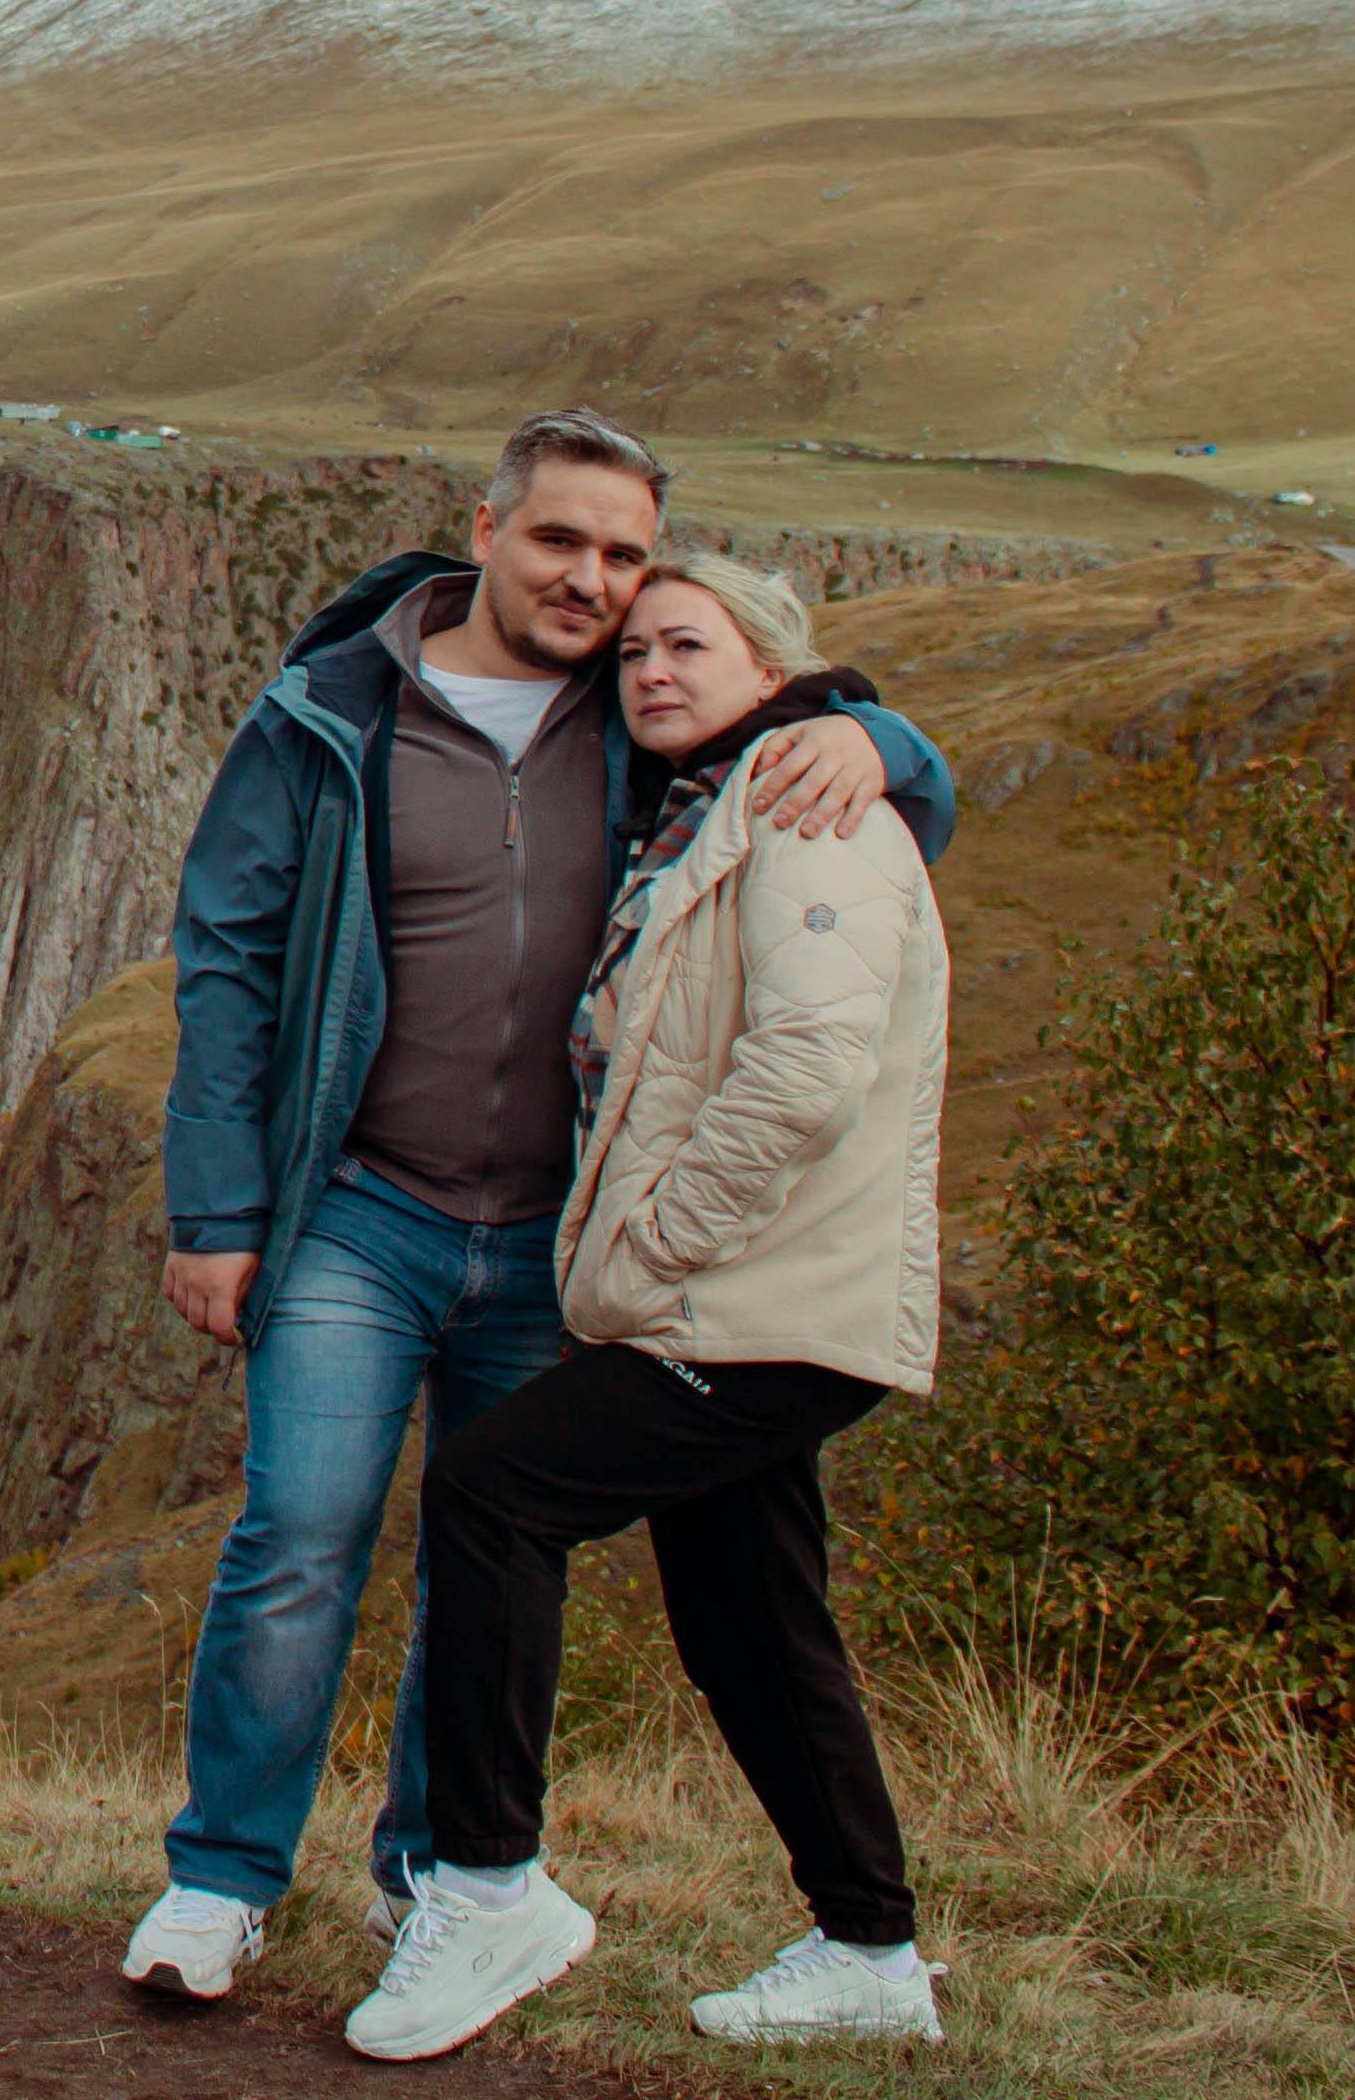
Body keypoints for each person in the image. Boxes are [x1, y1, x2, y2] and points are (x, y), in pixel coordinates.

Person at [116, 417, 952, 2003]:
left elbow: (807, 753)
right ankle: (220, 1880)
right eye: (562, 542)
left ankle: (437, 1876)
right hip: (362, 1209)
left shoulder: (633, 719)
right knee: (299, 1536)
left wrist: (891, 741)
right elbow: (228, 950)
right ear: (484, 529)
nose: (593, 583)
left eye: (624, 558)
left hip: (560, 1241)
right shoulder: (335, 710)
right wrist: (213, 1206)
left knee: (487, 1559)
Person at [338, 549, 952, 2062]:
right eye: (636, 656)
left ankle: (486, 1888)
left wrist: (656, 1252)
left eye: (691, 645)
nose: (655, 672)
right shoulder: (703, 812)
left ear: (772, 669)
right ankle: (871, 1950)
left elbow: (805, 1075)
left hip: (751, 1307)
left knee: (492, 1494)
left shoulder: (808, 815)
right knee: (751, 1624)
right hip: (748, 1304)